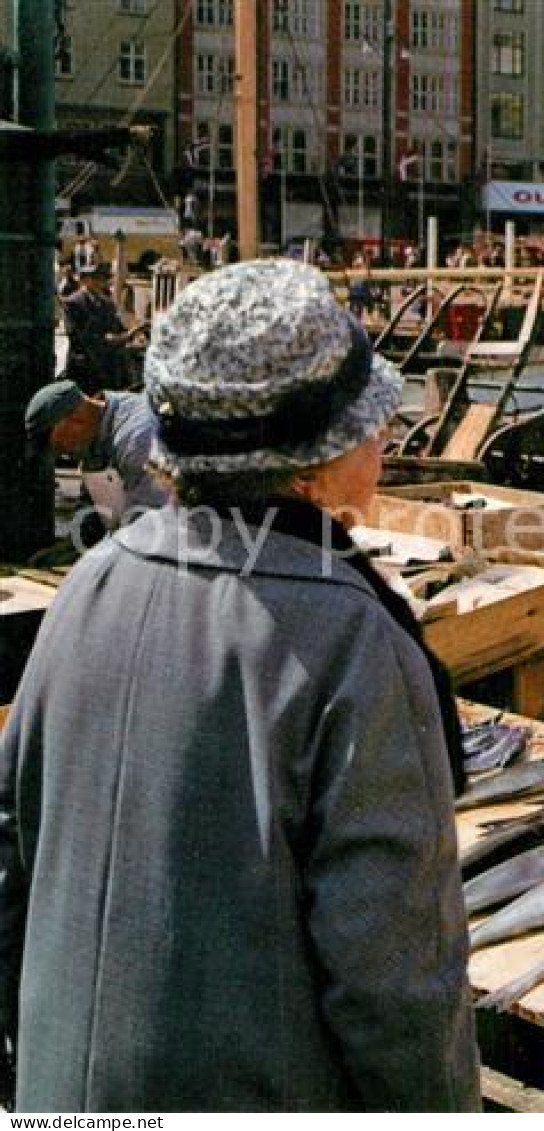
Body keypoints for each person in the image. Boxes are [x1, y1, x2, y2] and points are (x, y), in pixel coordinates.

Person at [0, 260, 479, 1110]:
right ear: (316, 462)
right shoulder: (356, 640)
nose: (385, 439)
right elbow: (396, 986)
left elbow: (12, 864)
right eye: (373, 424)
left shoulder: (86, 587)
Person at [24, 379, 171, 531]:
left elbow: (152, 528)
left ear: (76, 419)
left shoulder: (137, 441)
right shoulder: (95, 428)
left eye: (61, 446)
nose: (64, 455)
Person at [59, 263, 139, 393]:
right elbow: (75, 334)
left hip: (107, 366)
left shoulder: (107, 303)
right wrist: (106, 339)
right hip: (85, 366)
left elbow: (118, 327)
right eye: (95, 278)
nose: (100, 282)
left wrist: (130, 334)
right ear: (83, 280)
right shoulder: (73, 302)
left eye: (102, 278)